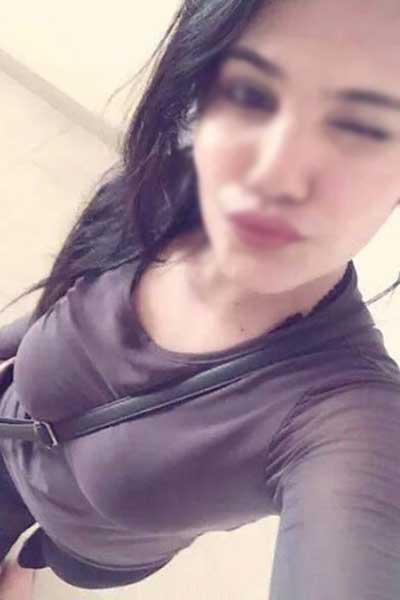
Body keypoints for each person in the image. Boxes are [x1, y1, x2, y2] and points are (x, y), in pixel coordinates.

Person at [1, 0, 400, 596]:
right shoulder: (159, 193)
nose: (272, 174)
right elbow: (56, 311)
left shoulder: (349, 417)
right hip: (9, 444)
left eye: (362, 127)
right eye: (250, 92)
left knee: (41, 561)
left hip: (88, 551)